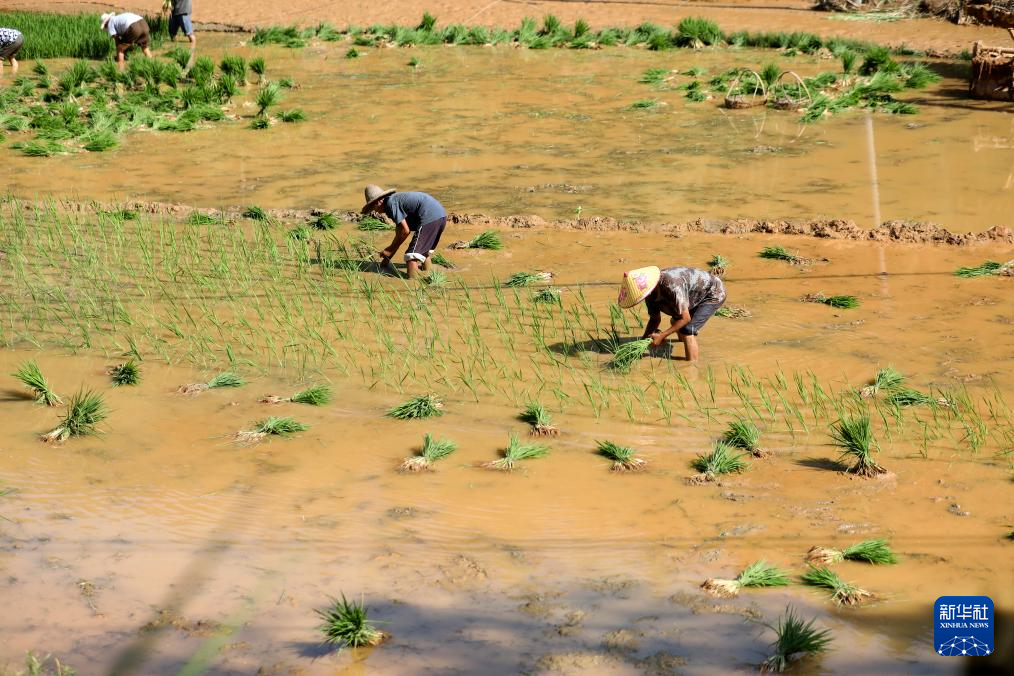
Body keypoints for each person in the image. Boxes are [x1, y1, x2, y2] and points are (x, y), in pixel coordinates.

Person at [617, 265, 726, 362]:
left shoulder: (671, 285)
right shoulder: (649, 295)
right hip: (693, 294)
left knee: (687, 329)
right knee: (675, 320)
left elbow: (686, 318)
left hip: (712, 293)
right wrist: (641, 342)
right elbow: (655, 319)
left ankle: (691, 366)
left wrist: (662, 335)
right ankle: (683, 343)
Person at [361, 184, 447, 280]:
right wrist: (388, 256)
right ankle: (431, 275)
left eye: (374, 208)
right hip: (441, 216)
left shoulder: (391, 204)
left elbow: (405, 231)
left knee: (410, 257)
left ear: (378, 202)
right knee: (423, 251)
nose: (376, 212)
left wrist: (389, 249)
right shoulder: (395, 201)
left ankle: (414, 282)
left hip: (429, 217)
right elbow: (400, 233)